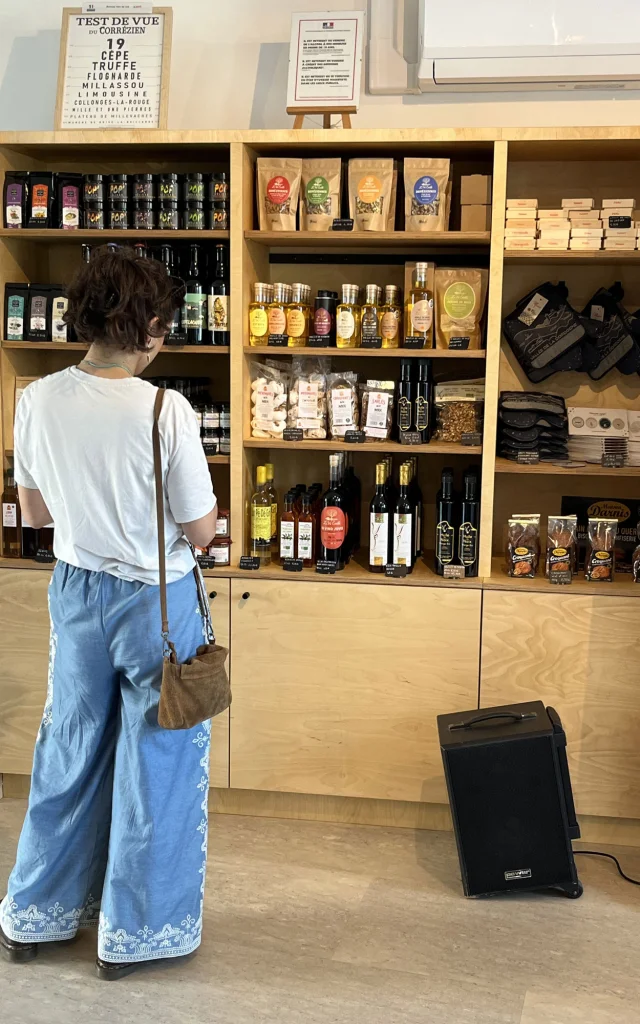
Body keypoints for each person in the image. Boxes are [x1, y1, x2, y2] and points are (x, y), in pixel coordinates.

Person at [0, 246, 217, 980]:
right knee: (157, 755)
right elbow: (201, 532)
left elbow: (32, 512)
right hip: (154, 600)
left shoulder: (34, 399)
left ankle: (35, 914)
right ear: (151, 324)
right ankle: (136, 933)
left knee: (69, 745)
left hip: (75, 589)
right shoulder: (164, 409)